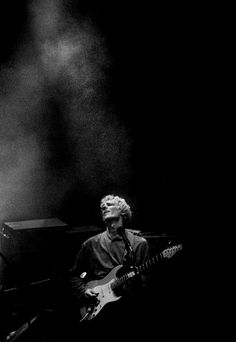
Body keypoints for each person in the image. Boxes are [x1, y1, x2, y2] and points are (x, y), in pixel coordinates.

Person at [68, 194, 150, 340]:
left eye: (110, 204)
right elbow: (74, 275)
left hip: (128, 312)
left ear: (122, 211)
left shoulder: (139, 243)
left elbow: (145, 280)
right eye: (102, 206)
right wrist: (85, 290)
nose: (104, 206)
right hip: (97, 311)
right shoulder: (91, 244)